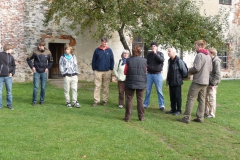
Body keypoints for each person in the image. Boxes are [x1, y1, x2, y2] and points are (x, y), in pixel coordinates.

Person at [178, 40, 212, 124]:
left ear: (200, 46)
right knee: (202, 100)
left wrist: (188, 70)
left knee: (191, 98)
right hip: (205, 81)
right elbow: (211, 69)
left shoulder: (199, 55)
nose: (195, 47)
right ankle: (200, 117)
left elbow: (196, 68)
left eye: (196, 45)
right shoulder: (208, 56)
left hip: (198, 81)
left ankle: (186, 118)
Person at [123, 45, 147, 122]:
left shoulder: (128, 60)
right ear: (140, 52)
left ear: (132, 52)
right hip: (141, 83)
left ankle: (128, 117)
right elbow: (146, 71)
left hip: (130, 82)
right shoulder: (144, 61)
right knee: (140, 100)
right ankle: (141, 117)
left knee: (129, 99)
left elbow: (125, 72)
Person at [27, 40, 53, 106]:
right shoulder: (35, 51)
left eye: (40, 46)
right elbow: (28, 59)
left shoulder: (48, 52)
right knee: (36, 87)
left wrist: (48, 68)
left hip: (44, 72)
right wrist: (32, 67)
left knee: (43, 87)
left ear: (44, 46)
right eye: (39, 46)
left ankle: (42, 101)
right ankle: (34, 101)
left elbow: (51, 61)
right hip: (36, 71)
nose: (39, 47)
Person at [91, 37, 114, 107]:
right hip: (98, 71)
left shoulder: (109, 50)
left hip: (107, 71)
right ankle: (96, 101)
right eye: (104, 42)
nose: (105, 43)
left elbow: (112, 60)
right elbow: (93, 60)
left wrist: (111, 69)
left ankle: (104, 100)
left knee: (106, 87)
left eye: (106, 42)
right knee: (97, 86)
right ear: (101, 42)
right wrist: (94, 69)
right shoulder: (97, 50)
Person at [143, 42, 165, 110]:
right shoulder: (149, 55)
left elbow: (161, 60)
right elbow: (146, 62)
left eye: (154, 46)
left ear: (157, 47)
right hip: (149, 74)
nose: (153, 47)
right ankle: (145, 104)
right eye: (152, 46)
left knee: (159, 90)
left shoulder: (160, 54)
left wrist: (156, 54)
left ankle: (161, 105)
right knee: (148, 90)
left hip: (157, 74)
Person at [166, 48, 188, 116]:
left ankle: (178, 110)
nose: (168, 52)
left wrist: (180, 77)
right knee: (172, 96)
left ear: (174, 52)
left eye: (169, 51)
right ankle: (173, 109)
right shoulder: (169, 60)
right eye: (168, 51)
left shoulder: (179, 60)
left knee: (177, 96)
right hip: (171, 81)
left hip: (177, 81)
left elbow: (185, 71)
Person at [205, 48, 221, 118]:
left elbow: (217, 74)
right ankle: (207, 112)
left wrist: (213, 84)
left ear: (212, 53)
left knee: (212, 98)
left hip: (213, 83)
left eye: (208, 53)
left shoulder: (216, 61)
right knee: (207, 98)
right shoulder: (211, 60)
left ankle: (211, 114)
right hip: (209, 82)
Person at [0, 44, 16, 110]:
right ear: (8, 49)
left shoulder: (11, 57)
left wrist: (12, 73)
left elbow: (13, 66)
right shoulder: (0, 55)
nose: (12, 50)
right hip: (0, 76)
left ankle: (9, 105)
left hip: (8, 77)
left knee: (9, 92)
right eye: (11, 49)